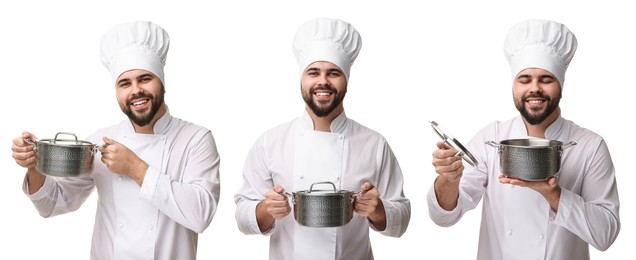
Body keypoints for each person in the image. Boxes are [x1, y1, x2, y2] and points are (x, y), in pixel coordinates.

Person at [10, 21, 221, 259]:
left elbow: (201, 215)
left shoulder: (196, 139)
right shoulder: (100, 141)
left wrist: (134, 167)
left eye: (144, 79)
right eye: (125, 83)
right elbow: (53, 204)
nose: (135, 91)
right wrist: (35, 166)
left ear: (161, 82)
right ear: (117, 92)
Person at [428, 19, 620, 259]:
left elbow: (606, 235)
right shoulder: (492, 137)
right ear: (514, 86)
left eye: (546, 79)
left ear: (560, 85)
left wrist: (554, 195)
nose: (535, 88)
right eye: (525, 79)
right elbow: (445, 216)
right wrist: (448, 179)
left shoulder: (590, 146)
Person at [234, 17, 411, 259]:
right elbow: (242, 218)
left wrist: (377, 210)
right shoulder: (270, 142)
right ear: (302, 79)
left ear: (346, 80)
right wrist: (266, 209)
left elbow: (402, 219)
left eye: (333, 73)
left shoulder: (374, 144)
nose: (323, 81)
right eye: (313, 72)